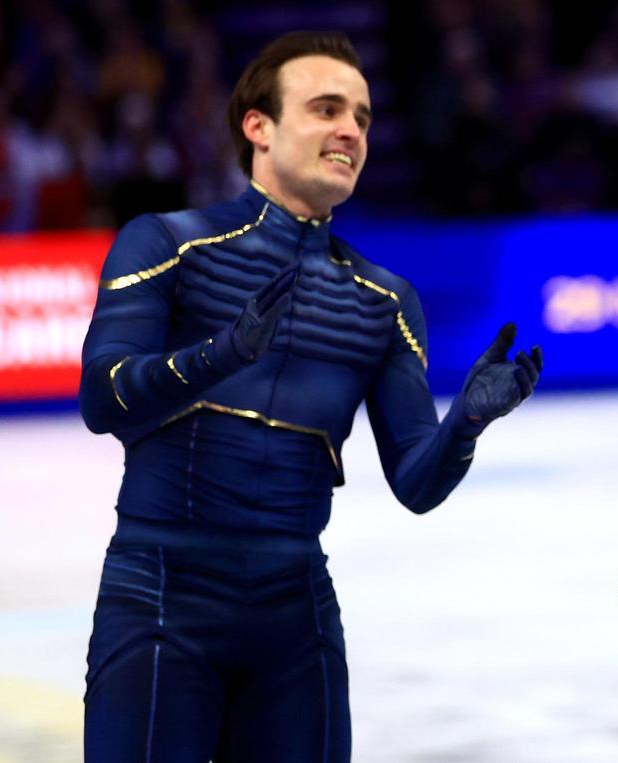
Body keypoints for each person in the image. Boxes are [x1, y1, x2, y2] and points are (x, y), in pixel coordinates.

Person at [78, 31, 542, 762]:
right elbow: (102, 399)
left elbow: (416, 484)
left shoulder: (384, 301)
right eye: (326, 108)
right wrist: (219, 355)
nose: (350, 130)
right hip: (161, 596)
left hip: (295, 616)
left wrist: (466, 425)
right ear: (256, 127)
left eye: (361, 115)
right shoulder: (165, 244)